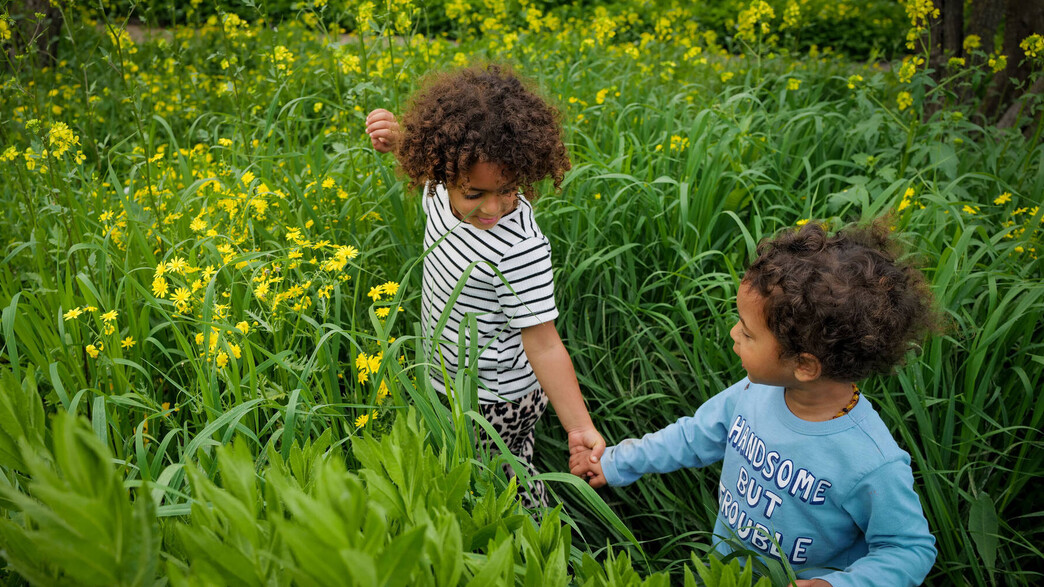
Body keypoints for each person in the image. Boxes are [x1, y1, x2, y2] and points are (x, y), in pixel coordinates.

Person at [570, 221, 939, 586]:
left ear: (804, 365)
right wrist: (616, 462)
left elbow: (908, 549)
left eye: (747, 332)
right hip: (723, 574)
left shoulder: (870, 461)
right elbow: (693, 436)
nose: (733, 333)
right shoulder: (754, 391)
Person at [365, 63, 604, 509]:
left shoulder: (520, 247)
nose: (492, 207)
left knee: (504, 481)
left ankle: (543, 548)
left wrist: (577, 427)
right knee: (459, 470)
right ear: (439, 169)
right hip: (444, 374)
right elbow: (430, 162)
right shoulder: (440, 185)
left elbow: (544, 343)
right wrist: (400, 142)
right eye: (474, 193)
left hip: (496, 396)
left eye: (508, 188)